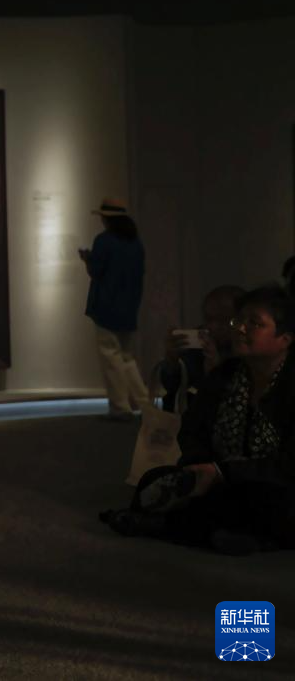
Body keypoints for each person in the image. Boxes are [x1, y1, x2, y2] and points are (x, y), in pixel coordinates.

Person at [103, 286, 295, 555]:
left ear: (284, 339)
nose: (241, 329)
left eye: (255, 323)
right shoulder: (226, 376)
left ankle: (169, 526)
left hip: (272, 484)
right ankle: (223, 532)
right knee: (153, 479)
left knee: (263, 500)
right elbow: (192, 429)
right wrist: (200, 467)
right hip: (221, 475)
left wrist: (221, 472)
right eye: (239, 321)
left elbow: (288, 465)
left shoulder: (290, 385)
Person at [79, 197, 148, 420]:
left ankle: (120, 407)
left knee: (111, 358)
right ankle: (143, 403)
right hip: (129, 308)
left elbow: (96, 271)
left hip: (106, 307)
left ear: (107, 219)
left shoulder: (104, 241)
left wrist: (87, 259)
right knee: (127, 358)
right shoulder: (135, 243)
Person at [154, 285, 244, 413]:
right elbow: (172, 389)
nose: (212, 326)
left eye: (223, 320)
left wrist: (216, 371)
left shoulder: (248, 351)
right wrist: (172, 362)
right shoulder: (199, 343)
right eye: (208, 319)